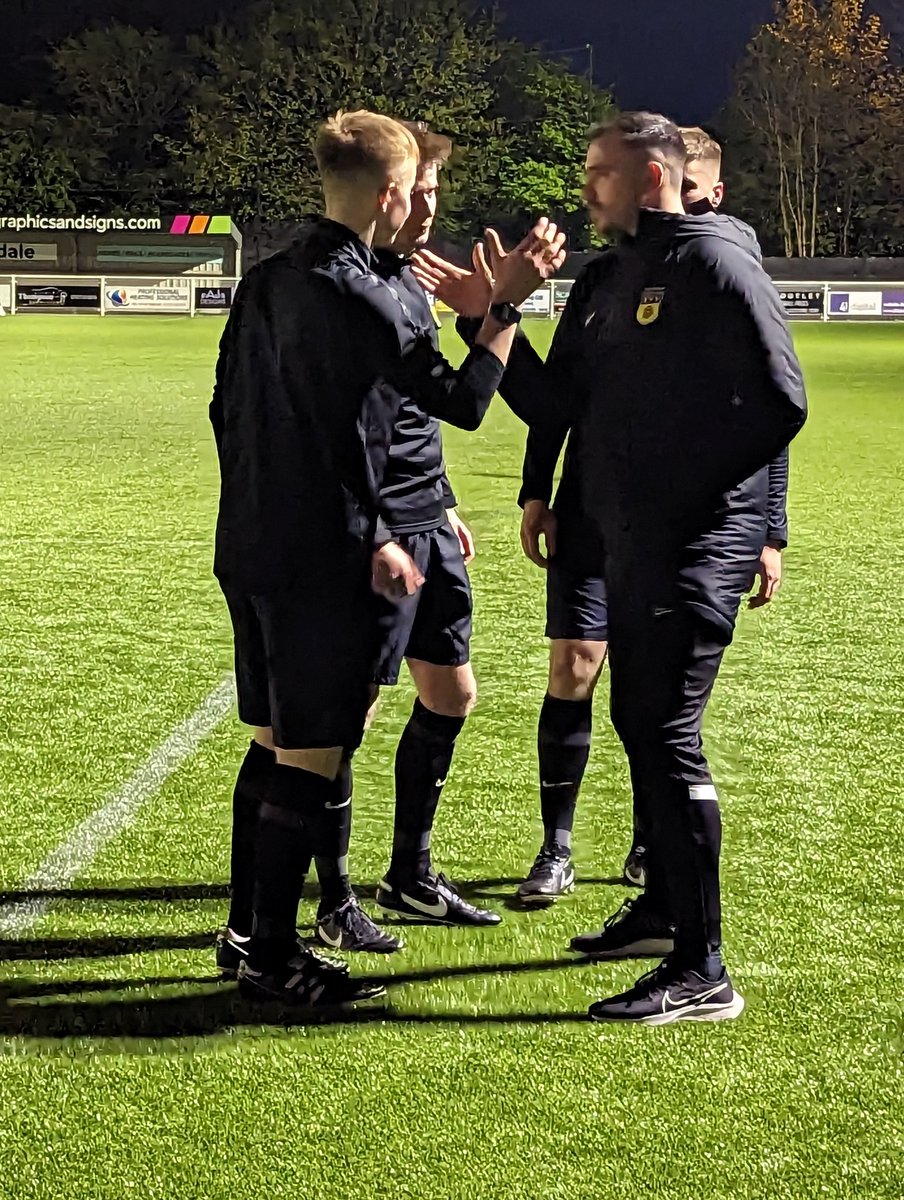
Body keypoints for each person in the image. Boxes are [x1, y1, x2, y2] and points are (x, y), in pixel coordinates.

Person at [416, 112, 807, 1024]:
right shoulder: (607, 279)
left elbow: (781, 404)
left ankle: (704, 967)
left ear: (657, 177)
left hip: (696, 544)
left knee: (664, 729)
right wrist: (487, 317)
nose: (586, 187)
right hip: (630, 542)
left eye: (602, 172)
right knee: (639, 719)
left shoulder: (714, 259)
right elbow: (557, 402)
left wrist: (696, 498)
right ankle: (666, 912)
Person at [212, 110, 563, 1002]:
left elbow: (234, 412)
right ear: (390, 192)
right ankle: (274, 961)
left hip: (254, 541)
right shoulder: (361, 293)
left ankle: (249, 931)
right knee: (315, 752)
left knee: (280, 740)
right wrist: (506, 307)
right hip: (326, 557)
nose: (424, 205)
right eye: (418, 189)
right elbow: (469, 400)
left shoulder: (270, 280)